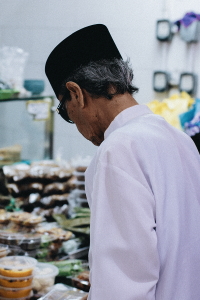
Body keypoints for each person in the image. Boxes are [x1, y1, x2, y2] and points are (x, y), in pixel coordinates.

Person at [45, 24, 200, 300]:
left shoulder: (117, 151)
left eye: (65, 111)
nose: (73, 122)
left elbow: (122, 285)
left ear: (76, 93)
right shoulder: (181, 140)